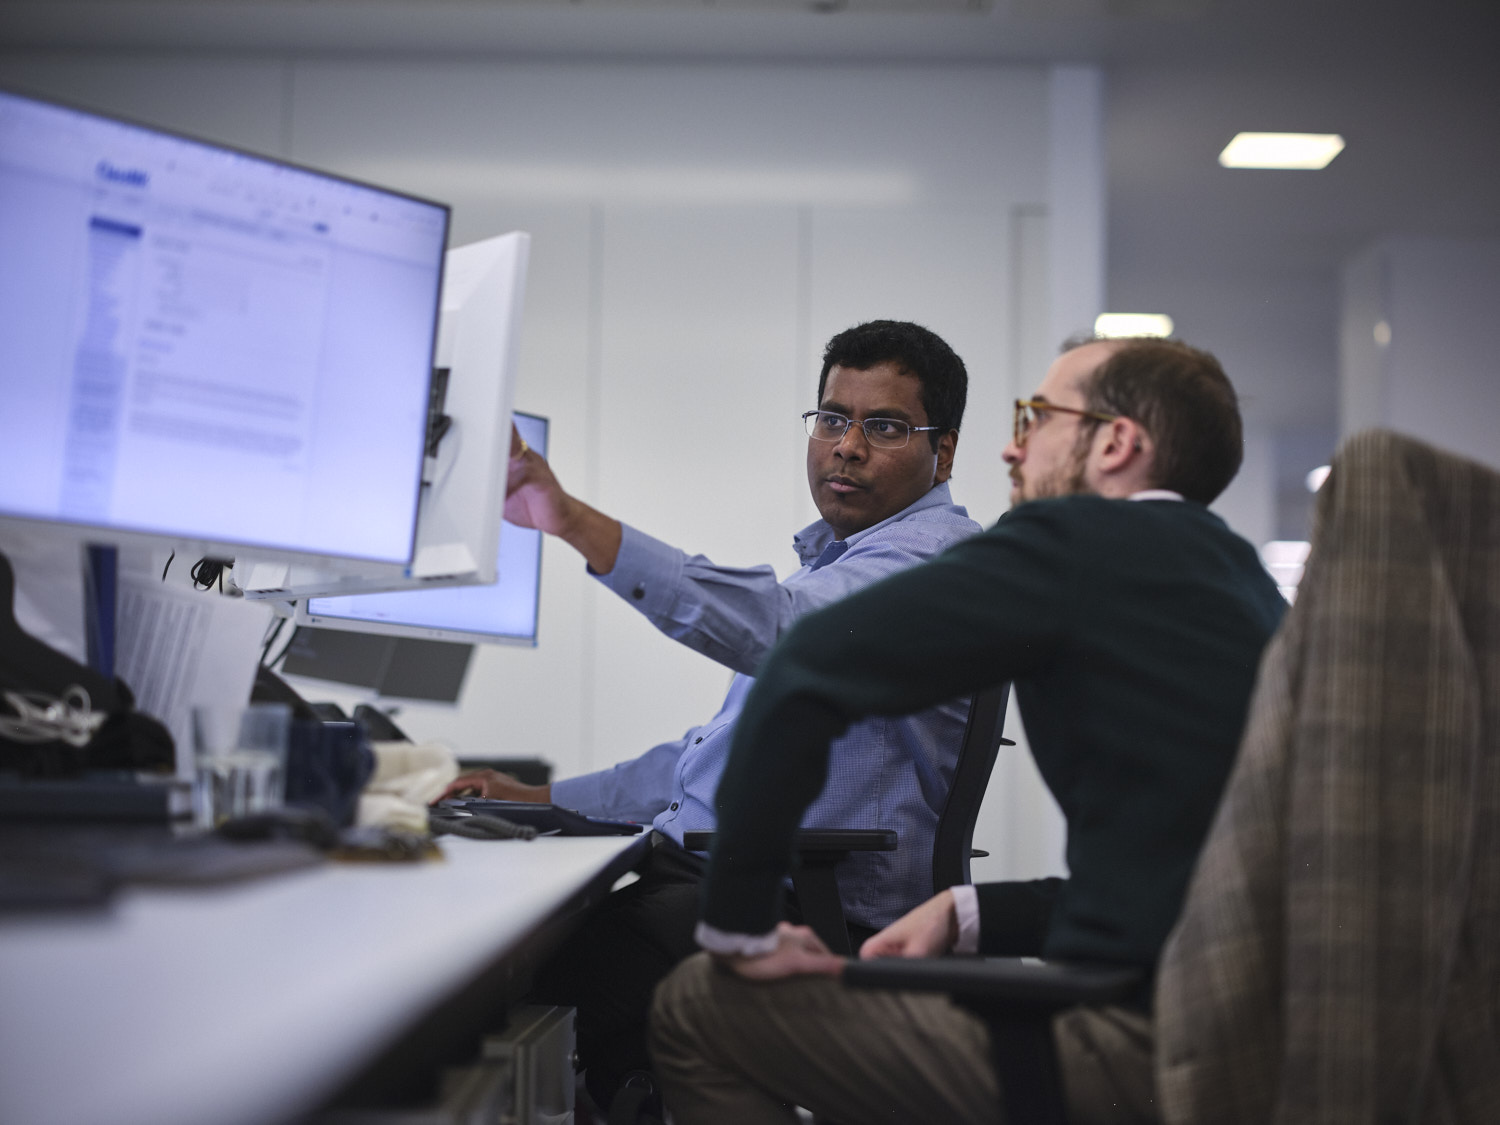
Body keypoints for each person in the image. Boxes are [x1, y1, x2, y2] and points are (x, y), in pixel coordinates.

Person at [649, 335, 1288, 1125]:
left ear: (1118, 443)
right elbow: (1180, 883)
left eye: (1040, 416)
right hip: (1241, 1050)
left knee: (701, 1004)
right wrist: (971, 911)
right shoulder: (1248, 587)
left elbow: (805, 662)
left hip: (1131, 1049)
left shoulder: (1080, 539)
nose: (1012, 446)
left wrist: (740, 927)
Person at [441, 320, 981, 1114]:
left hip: (804, 908)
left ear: (944, 451)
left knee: (501, 972)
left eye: (886, 426)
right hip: (727, 875)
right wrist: (539, 799)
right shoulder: (848, 567)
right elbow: (699, 763)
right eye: (832, 417)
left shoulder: (926, 565)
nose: (847, 446)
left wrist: (567, 518)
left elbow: (774, 625)